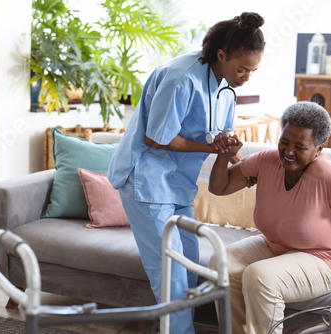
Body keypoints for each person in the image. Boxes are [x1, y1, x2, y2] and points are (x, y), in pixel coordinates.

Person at [107, 12, 265, 334]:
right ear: (221, 55)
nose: (247, 76)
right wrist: (213, 150)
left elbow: (221, 140)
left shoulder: (226, 90)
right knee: (172, 277)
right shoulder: (182, 77)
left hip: (179, 185)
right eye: (242, 68)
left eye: (253, 70)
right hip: (148, 182)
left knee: (190, 267)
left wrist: (240, 160)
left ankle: (176, 329)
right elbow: (157, 137)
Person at [208, 101, 331, 334]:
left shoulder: (329, 176)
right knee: (222, 261)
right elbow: (220, 187)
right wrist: (224, 155)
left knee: (260, 276)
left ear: (319, 149)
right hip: (277, 246)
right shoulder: (267, 161)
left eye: (300, 147)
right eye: (285, 142)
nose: (288, 152)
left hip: (327, 261)